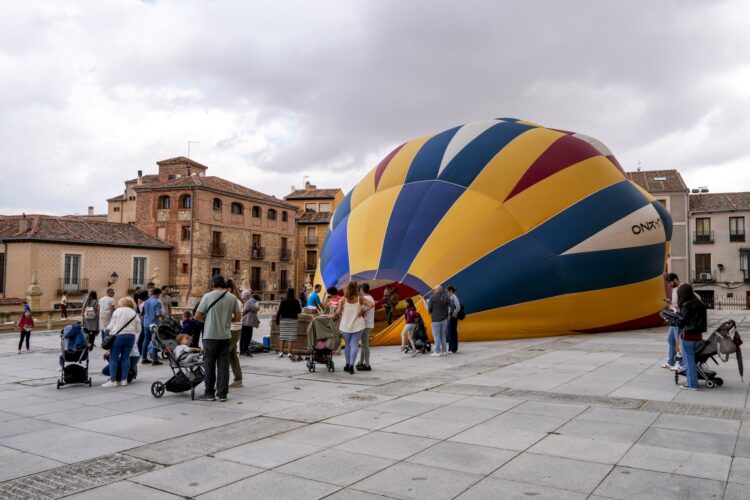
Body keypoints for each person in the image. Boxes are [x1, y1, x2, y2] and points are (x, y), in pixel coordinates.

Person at [196, 275, 240, 402]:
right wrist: (226, 321)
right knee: (224, 365)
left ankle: (209, 393)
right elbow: (237, 317)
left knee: (209, 364)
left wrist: (207, 321)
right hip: (225, 336)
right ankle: (222, 394)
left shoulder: (207, 296)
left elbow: (197, 315)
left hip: (210, 336)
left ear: (213, 284)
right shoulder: (232, 298)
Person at [102, 297, 140, 388]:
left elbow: (112, 324)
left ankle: (113, 380)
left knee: (113, 358)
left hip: (119, 336)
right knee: (125, 358)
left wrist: (106, 330)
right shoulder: (134, 313)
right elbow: (138, 328)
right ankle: (124, 380)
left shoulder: (118, 311)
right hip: (131, 336)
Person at [336, 282, 374, 374]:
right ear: (356, 289)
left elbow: (338, 312)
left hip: (345, 326)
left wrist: (331, 314)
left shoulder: (343, 299)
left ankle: (347, 364)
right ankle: (352, 366)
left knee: (348, 344)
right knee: (354, 344)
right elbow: (372, 304)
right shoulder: (360, 299)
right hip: (358, 325)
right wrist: (363, 310)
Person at [675, 283, 707, 390]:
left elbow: (681, 322)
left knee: (689, 361)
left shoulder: (686, 304)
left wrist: (673, 317)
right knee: (692, 361)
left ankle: (692, 384)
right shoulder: (700, 304)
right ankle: (692, 382)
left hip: (688, 336)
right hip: (698, 337)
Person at [662, 273, 686, 370]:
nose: (669, 285)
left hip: (678, 318)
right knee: (670, 340)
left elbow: (683, 304)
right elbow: (676, 304)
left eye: (670, 282)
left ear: (675, 280)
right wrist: (670, 303)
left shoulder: (683, 288)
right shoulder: (675, 289)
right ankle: (671, 362)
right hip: (674, 318)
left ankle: (681, 364)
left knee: (678, 343)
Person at [226, 279, 244, 388]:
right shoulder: (236, 300)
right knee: (232, 355)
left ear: (229, 288)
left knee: (223, 355)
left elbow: (234, 318)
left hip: (232, 330)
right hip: (235, 330)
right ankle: (238, 379)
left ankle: (220, 381)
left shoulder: (234, 301)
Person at [140, 288, 164, 365]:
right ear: (158, 294)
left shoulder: (146, 301)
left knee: (146, 340)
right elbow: (157, 314)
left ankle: (144, 358)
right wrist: (162, 315)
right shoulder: (157, 302)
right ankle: (154, 359)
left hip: (146, 322)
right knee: (155, 340)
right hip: (153, 323)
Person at [276, 288, 302, 358]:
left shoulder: (283, 301)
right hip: (293, 320)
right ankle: (289, 353)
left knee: (282, 337)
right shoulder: (296, 301)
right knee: (291, 337)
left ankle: (281, 352)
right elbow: (299, 311)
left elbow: (279, 311)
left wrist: (277, 321)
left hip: (283, 320)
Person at [356, 283, 376, 371]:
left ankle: (367, 364)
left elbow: (363, 312)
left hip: (365, 324)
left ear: (361, 290)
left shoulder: (365, 299)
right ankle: (361, 362)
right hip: (369, 324)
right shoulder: (371, 297)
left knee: (365, 345)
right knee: (364, 345)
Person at [427, 285, 450, 357]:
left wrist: (431, 312)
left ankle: (437, 352)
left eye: (434, 290)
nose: (434, 291)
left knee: (436, 336)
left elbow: (429, 308)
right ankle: (444, 351)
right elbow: (452, 305)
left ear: (437, 290)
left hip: (435, 320)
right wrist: (450, 314)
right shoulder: (446, 297)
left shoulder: (432, 297)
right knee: (443, 335)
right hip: (444, 319)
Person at [240, 290, 260, 356]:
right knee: (247, 337)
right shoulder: (249, 302)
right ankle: (245, 350)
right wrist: (257, 302)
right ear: (248, 295)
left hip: (244, 322)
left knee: (243, 337)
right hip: (248, 322)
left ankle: (242, 350)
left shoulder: (243, 301)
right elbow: (256, 308)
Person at [446, 286, 461, 354]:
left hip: (453, 318)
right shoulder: (450, 298)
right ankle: (450, 348)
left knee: (453, 332)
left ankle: (453, 348)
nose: (447, 293)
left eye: (448, 292)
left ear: (451, 291)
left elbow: (458, 307)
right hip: (450, 317)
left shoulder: (454, 297)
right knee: (450, 332)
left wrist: (453, 316)